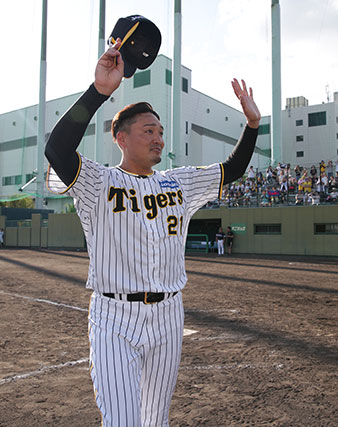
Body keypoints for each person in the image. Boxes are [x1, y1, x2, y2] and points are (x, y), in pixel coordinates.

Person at [44, 35, 261, 426]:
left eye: (160, 131)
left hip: (168, 316)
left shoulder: (178, 182)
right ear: (121, 138)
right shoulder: (99, 182)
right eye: (148, 131)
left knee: (154, 420)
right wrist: (98, 92)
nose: (158, 138)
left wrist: (252, 124)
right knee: (124, 421)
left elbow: (233, 169)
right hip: (114, 316)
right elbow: (57, 150)